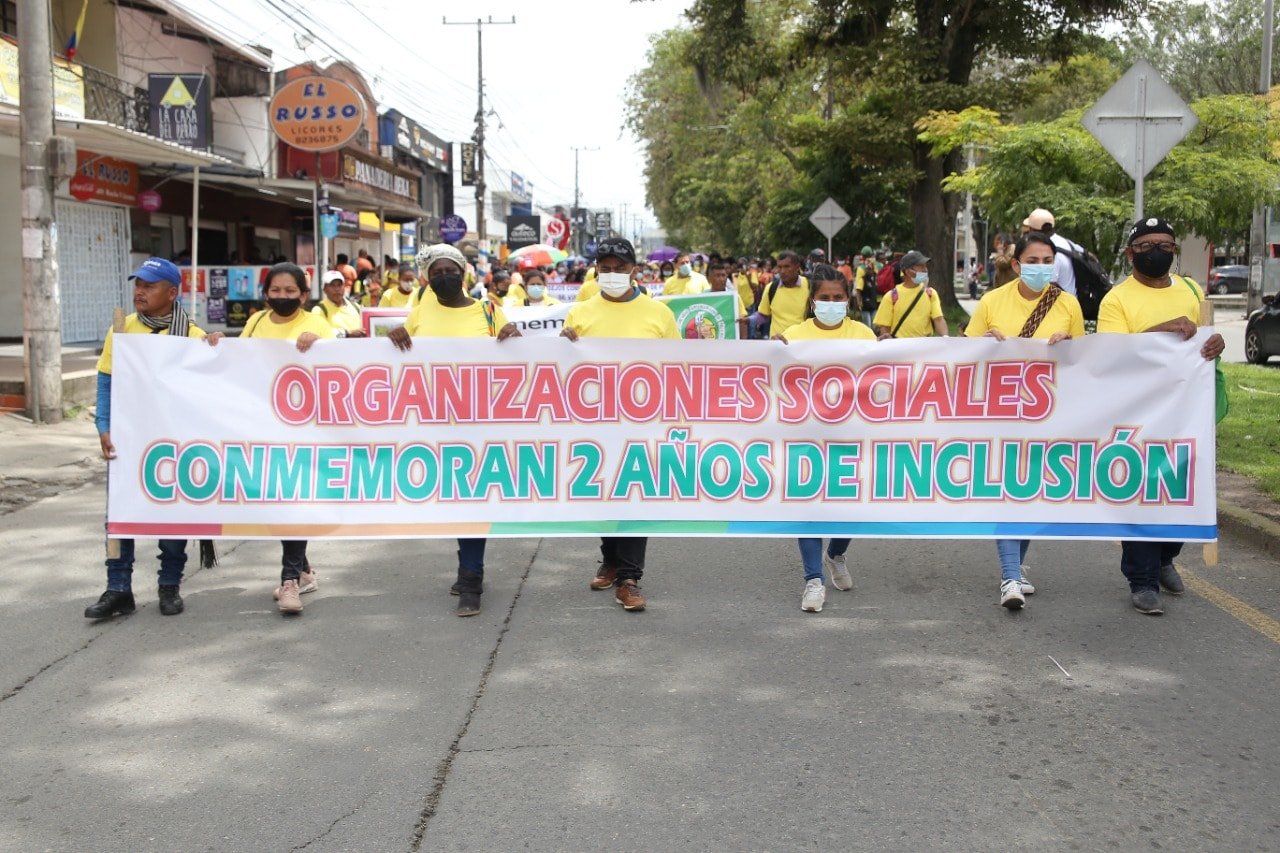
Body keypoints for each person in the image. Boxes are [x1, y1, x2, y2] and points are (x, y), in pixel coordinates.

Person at [1096, 217, 1224, 615]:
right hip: (1137, 411)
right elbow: (1112, 355)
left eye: (1167, 246)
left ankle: (1166, 555)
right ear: (1131, 252)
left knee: (1181, 490)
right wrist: (1163, 329)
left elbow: (1205, 339)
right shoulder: (1116, 299)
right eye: (1149, 244)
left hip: (1186, 410)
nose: (1159, 252)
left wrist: (1215, 342)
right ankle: (1143, 579)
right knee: (1143, 493)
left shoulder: (1190, 289)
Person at [388, 244, 521, 616]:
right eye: (435, 271)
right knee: (454, 497)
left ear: (463, 273)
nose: (442, 276)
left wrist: (513, 338)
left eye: (449, 269)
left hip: (481, 421)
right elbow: (395, 361)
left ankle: (472, 578)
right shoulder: (417, 314)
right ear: (427, 278)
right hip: (433, 422)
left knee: (472, 496)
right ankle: (468, 567)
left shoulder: (489, 310)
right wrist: (394, 336)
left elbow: (522, 361)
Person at [86, 258, 221, 620]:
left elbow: (211, 388)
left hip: (172, 442)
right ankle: (117, 589)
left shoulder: (192, 337)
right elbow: (106, 381)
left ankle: (169, 586)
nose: (139, 291)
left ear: (172, 292)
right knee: (119, 515)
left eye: (149, 285)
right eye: (138, 284)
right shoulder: (123, 328)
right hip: (129, 439)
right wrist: (104, 425)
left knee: (172, 514)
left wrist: (217, 349)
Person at [964, 232, 1085, 608]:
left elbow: (1085, 364)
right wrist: (984, 341)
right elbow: (964, 354)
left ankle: (1014, 565)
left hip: (1049, 415)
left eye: (1048, 260)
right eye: (1033, 260)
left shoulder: (1068, 305)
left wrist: (1070, 345)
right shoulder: (991, 302)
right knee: (1007, 491)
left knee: (1032, 492)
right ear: (1016, 265)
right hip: (1000, 415)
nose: (1041, 267)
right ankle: (1011, 577)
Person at [210, 263, 334, 614]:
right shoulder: (255, 322)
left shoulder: (316, 323)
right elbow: (240, 362)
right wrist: (218, 346)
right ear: (266, 294)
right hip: (262, 427)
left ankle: (290, 581)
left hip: (303, 429)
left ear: (303, 295)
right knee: (278, 502)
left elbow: (337, 365)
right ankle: (305, 571)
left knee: (291, 501)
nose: (282, 297)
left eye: (290, 291)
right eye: (275, 291)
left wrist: (320, 345)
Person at [561, 238, 678, 612]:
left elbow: (678, 366)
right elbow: (562, 368)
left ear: (634, 270)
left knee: (634, 494)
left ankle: (629, 577)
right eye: (605, 268)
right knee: (601, 494)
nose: (612, 274)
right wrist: (562, 347)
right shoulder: (578, 312)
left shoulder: (659, 314)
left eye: (620, 267)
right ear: (597, 270)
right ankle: (610, 558)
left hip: (642, 421)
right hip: (593, 420)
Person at [770, 265, 873, 611]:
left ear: (848, 300)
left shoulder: (863, 335)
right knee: (809, 506)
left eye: (838, 298)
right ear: (813, 301)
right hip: (806, 436)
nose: (831, 303)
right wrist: (771, 352)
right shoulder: (794, 335)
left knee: (853, 507)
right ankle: (813, 580)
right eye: (824, 298)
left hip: (852, 435)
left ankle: (837, 554)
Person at [873, 250, 948, 339]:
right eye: (921, 267)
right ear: (908, 271)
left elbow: (938, 319)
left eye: (925, 266)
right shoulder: (891, 296)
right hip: (900, 347)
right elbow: (884, 327)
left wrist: (945, 337)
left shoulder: (930, 294)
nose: (925, 270)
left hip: (924, 347)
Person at [1022, 208, 1082, 296]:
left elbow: (1049, 287)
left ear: (1031, 230)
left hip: (1061, 305)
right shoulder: (1065, 242)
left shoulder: (1048, 251)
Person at [755, 250, 809, 338]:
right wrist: (749, 320)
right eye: (779, 267)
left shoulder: (810, 287)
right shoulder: (771, 288)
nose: (782, 271)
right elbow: (763, 315)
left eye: (787, 266)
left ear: (797, 267)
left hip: (802, 345)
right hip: (777, 345)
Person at [312, 269, 366, 337]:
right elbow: (319, 332)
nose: (337, 289)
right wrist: (347, 333)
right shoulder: (319, 310)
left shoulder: (356, 307)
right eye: (332, 285)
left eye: (339, 285)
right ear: (324, 289)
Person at [706, 261, 748, 337]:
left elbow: (742, 321)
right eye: (717, 276)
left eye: (723, 275)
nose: (721, 279)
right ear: (710, 279)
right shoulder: (704, 297)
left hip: (730, 343)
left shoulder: (734, 297)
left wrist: (743, 344)